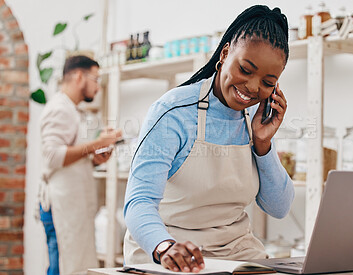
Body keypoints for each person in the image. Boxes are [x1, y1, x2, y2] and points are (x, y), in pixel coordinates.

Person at [123, 4, 294, 273]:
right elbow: (138, 202)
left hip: (236, 253)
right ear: (225, 53)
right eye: (246, 70)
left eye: (268, 82)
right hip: (173, 252)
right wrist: (165, 246)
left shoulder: (254, 120)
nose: (252, 87)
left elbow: (279, 207)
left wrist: (263, 145)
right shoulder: (173, 112)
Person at [38, 55, 122, 275]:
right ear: (78, 76)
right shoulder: (59, 108)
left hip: (71, 203)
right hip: (60, 204)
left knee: (72, 265)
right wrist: (96, 144)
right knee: (62, 266)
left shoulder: (72, 110)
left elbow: (69, 157)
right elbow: (52, 156)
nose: (98, 87)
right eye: (95, 79)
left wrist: (94, 158)